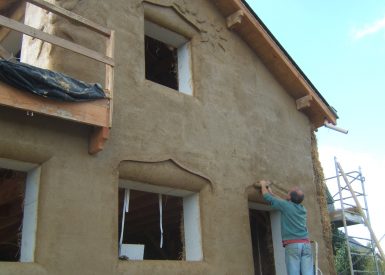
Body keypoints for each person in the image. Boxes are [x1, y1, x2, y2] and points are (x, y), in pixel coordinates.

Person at [256, 180, 314, 275]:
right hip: (306, 245)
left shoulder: (286, 206)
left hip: (293, 245)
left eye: (288, 192)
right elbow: (282, 203)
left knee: (293, 273)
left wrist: (262, 184)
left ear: (290, 197)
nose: (287, 193)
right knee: (308, 273)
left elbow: (267, 197)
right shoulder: (303, 209)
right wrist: (272, 193)